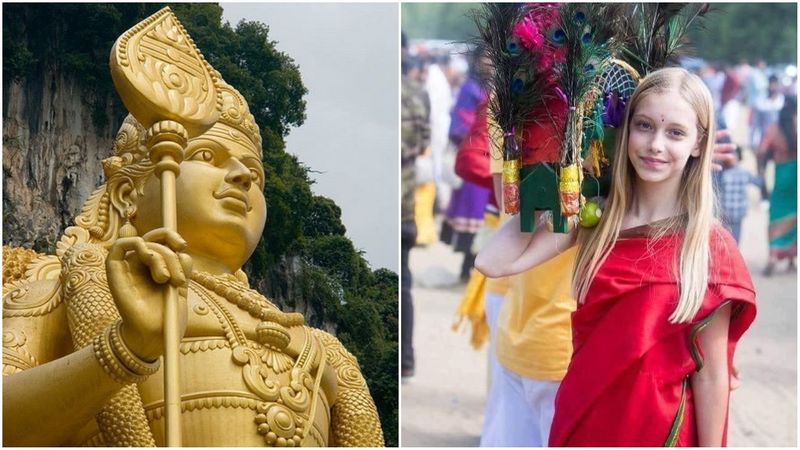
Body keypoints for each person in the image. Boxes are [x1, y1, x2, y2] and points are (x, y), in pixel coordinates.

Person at [3, 13, 383, 447]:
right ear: (128, 192)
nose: (242, 177)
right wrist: (123, 352)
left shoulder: (321, 347)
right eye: (206, 154)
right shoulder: (70, 284)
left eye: (255, 175)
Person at [476, 67, 756, 446]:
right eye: (644, 126)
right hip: (582, 421)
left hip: (659, 432)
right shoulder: (596, 218)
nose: (656, 144)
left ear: (697, 144)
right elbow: (493, 262)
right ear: (625, 131)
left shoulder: (709, 247)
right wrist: (555, 182)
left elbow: (710, 374)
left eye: (675, 132)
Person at [401, 32, 431, 381]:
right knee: (405, 285)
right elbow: (424, 143)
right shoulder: (417, 93)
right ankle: (406, 360)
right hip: (408, 206)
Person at [759, 96, 797, 276]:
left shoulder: (774, 128)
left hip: (781, 174)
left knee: (776, 213)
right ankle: (791, 259)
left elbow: (762, 150)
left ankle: (773, 255)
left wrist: (762, 171)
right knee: (795, 213)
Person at [718, 146, 764, 243]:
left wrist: (760, 166)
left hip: (738, 213)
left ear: (739, 157)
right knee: (723, 239)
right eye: (729, 155)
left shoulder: (744, 173)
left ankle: (733, 257)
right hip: (724, 214)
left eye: (734, 155)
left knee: (735, 240)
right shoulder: (722, 173)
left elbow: (759, 182)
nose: (732, 158)